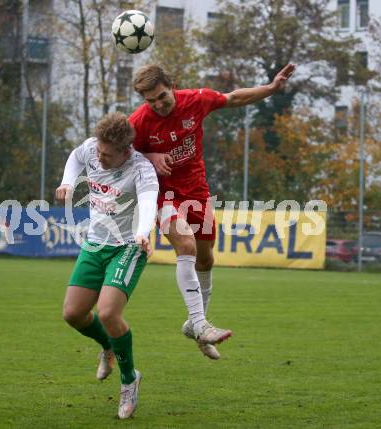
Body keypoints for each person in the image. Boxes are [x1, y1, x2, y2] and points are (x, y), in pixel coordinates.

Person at [129, 63, 295, 360]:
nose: (158, 105)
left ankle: (196, 326)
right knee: (186, 246)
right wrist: (149, 155)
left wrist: (271, 89)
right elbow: (121, 154)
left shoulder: (196, 100)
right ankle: (202, 324)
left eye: (162, 97)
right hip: (163, 196)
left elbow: (234, 99)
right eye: (150, 100)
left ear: (171, 85)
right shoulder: (140, 121)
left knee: (205, 260)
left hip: (197, 193)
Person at [55, 112, 159, 419]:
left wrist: (142, 233)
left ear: (126, 151)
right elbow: (75, 157)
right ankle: (109, 346)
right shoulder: (91, 148)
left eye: (107, 155)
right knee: (73, 314)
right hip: (95, 243)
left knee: (108, 312)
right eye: (98, 151)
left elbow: (149, 201)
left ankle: (129, 379)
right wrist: (67, 182)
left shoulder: (141, 169)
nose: (99, 158)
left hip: (128, 246)